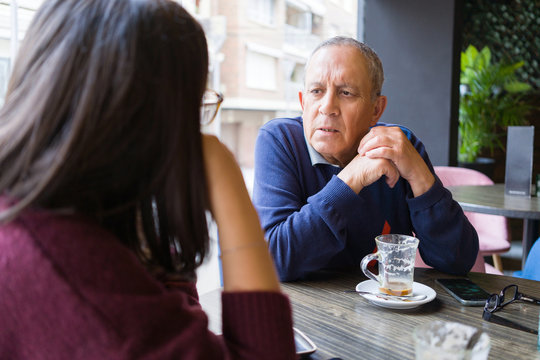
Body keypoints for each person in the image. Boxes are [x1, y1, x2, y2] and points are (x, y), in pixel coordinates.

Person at [0, 0, 295, 359]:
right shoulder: (76, 280)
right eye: (189, 108)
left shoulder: (50, 214)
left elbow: (168, 316)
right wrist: (224, 177)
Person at [253, 36, 479, 281]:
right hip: (301, 315)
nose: (327, 107)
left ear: (376, 110)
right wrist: (352, 178)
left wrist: (420, 176)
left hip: (382, 312)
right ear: (303, 101)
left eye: (346, 92)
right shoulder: (280, 140)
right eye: (316, 91)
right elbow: (272, 261)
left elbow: (457, 260)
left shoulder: (399, 147)